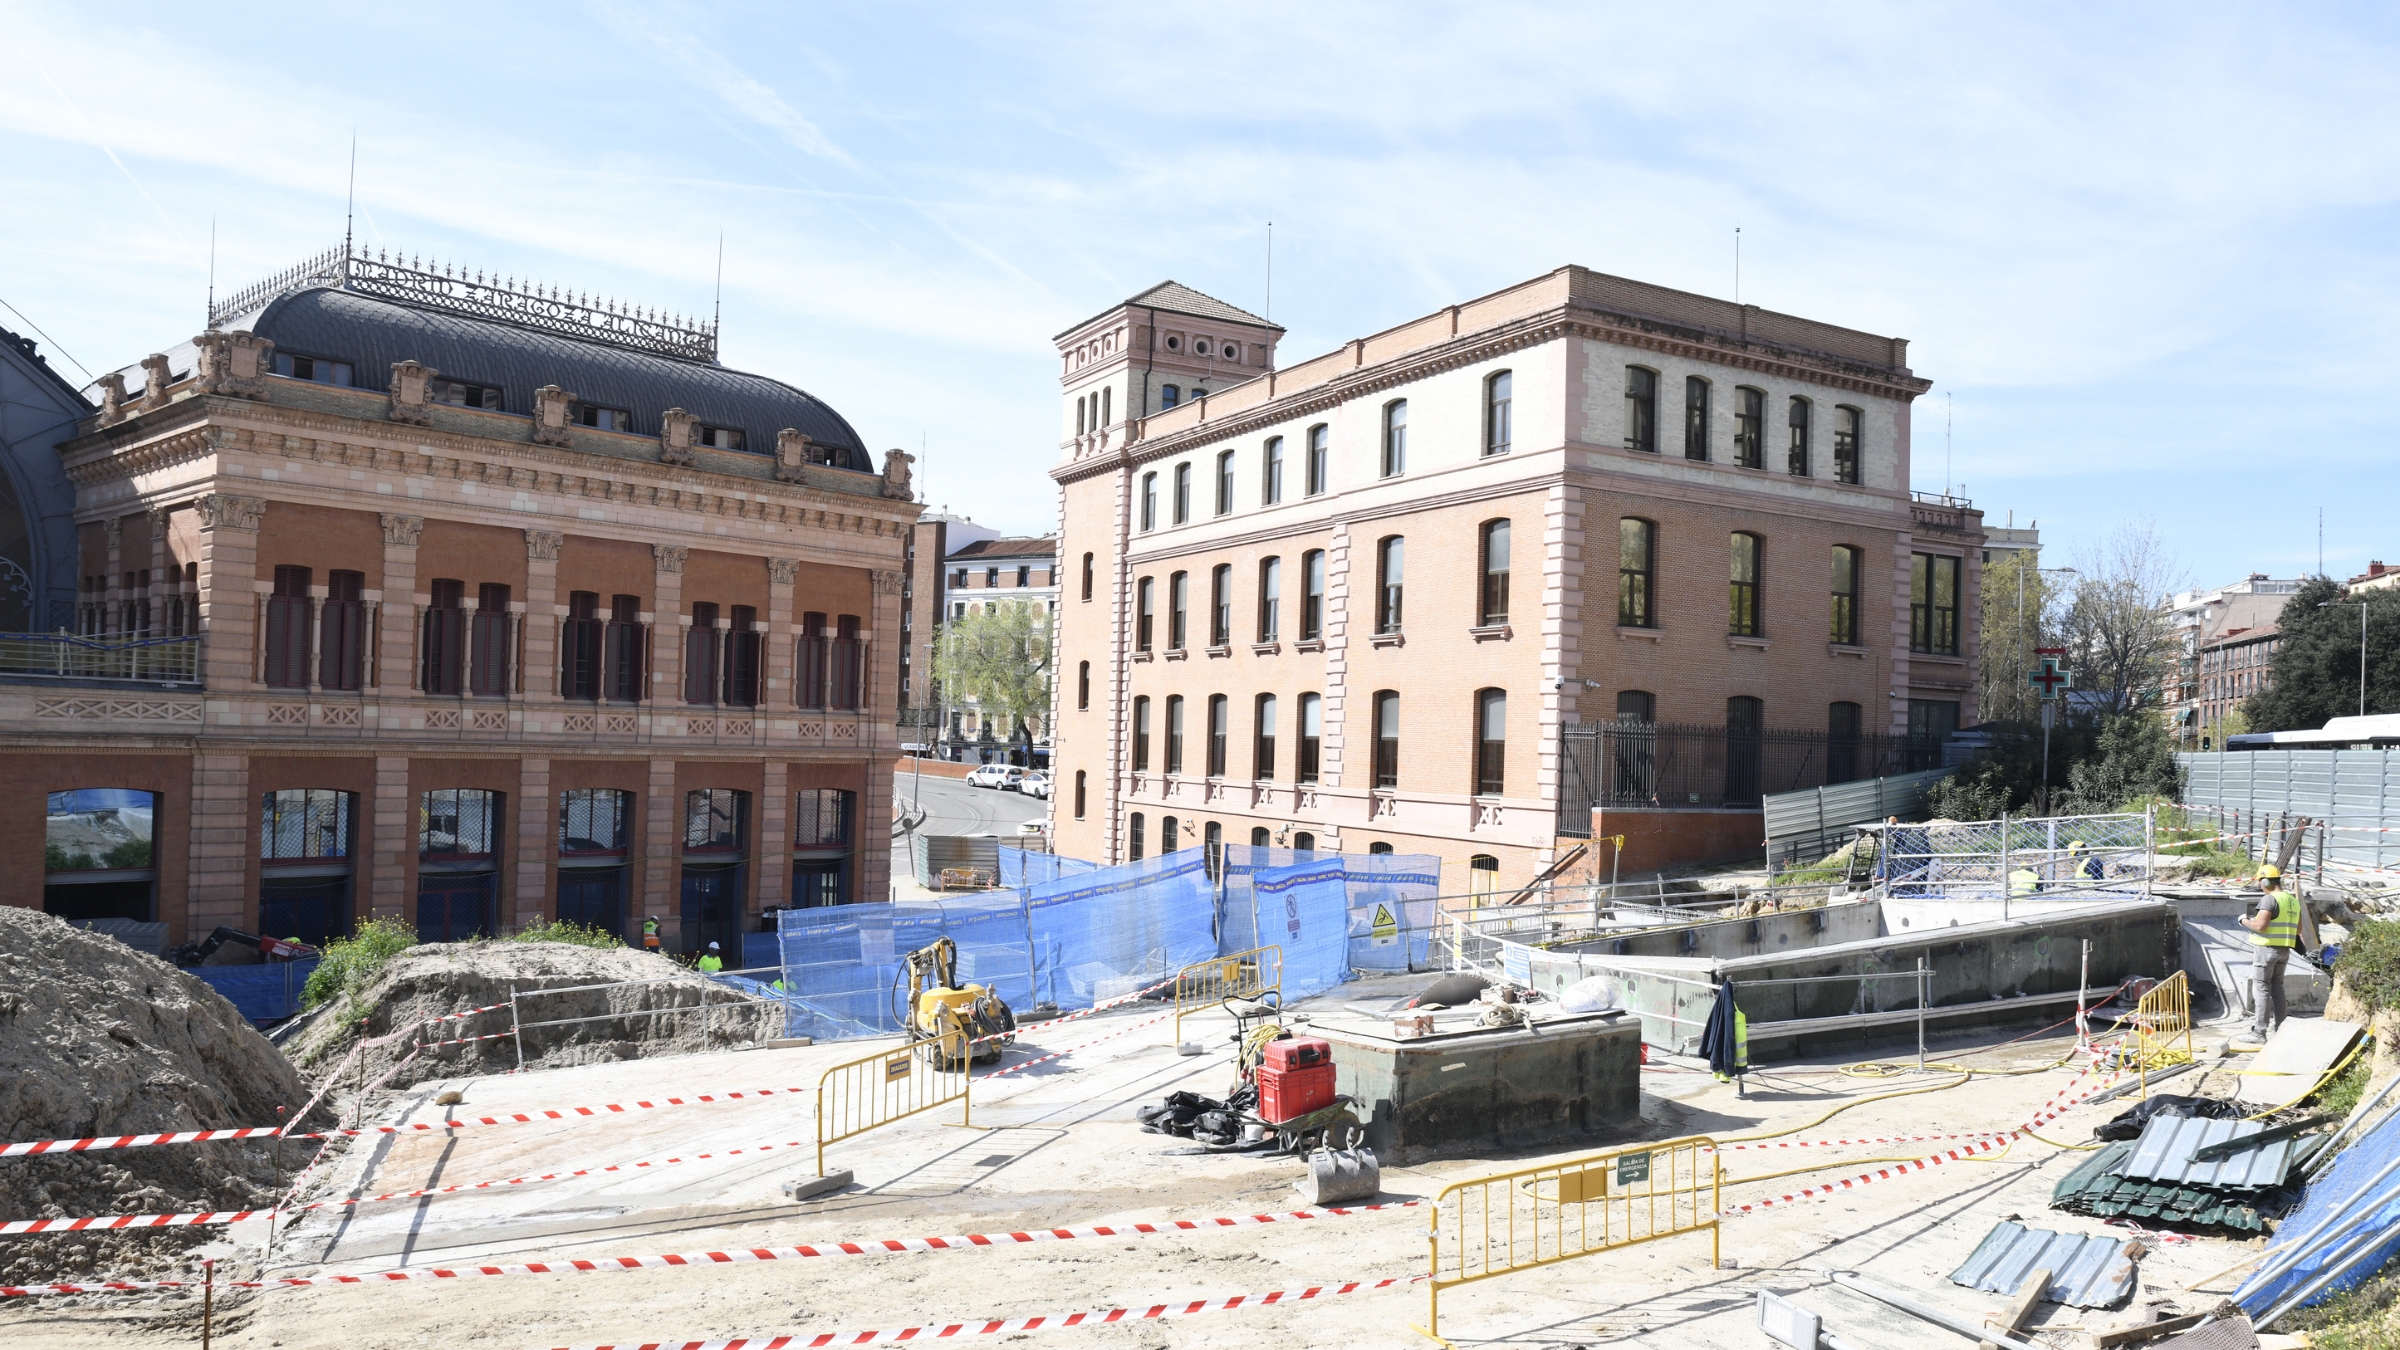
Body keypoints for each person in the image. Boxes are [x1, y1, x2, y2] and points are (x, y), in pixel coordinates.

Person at [2234, 865, 2300, 1050]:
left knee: (2262, 988)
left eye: (2260, 883)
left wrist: (2245, 921)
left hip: (2266, 950)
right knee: (2277, 988)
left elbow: (2261, 926)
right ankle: (2280, 1029)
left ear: (2265, 881)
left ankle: (2259, 1033)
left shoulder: (2269, 899)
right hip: (2284, 951)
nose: (2260, 886)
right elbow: (2299, 930)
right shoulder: (2292, 900)